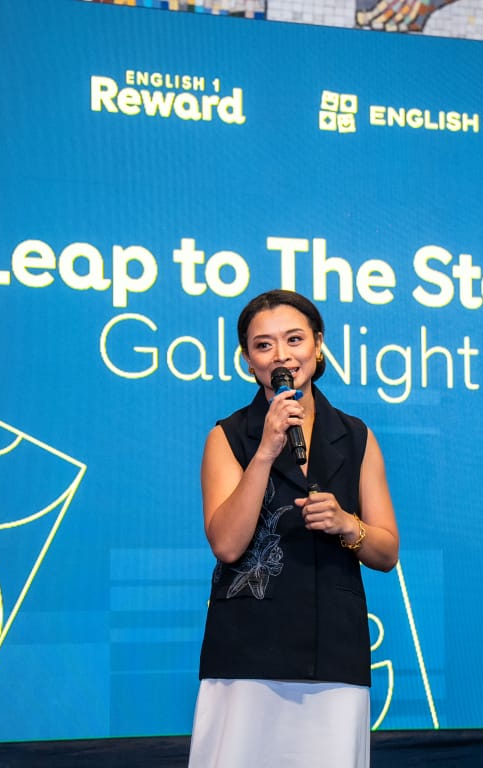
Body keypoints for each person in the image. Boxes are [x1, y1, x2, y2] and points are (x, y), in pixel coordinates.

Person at [188, 289, 399, 768]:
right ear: (248, 360)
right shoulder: (228, 437)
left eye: (294, 339)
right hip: (247, 649)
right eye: (263, 345)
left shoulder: (356, 436)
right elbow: (226, 544)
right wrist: (265, 450)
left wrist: (347, 525)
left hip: (334, 652)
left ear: (318, 345)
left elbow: (387, 551)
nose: (281, 355)